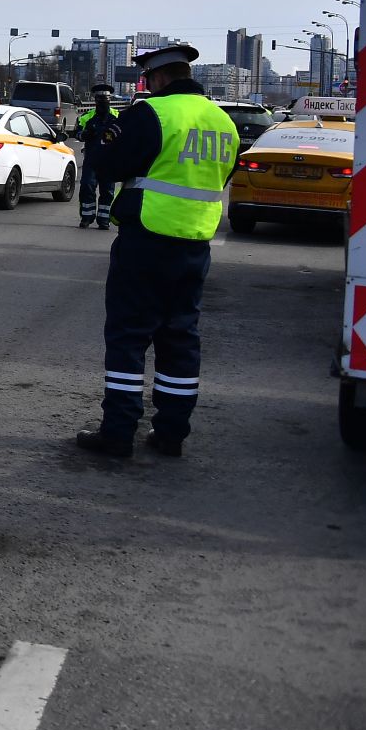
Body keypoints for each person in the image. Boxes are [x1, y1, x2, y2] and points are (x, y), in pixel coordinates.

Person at [75, 43, 236, 459]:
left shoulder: (152, 114)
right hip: (195, 245)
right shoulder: (224, 121)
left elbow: (109, 168)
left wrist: (100, 141)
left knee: (128, 336)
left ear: (160, 77)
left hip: (147, 240)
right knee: (179, 338)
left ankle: (118, 432)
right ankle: (171, 433)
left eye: (146, 79)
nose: (145, 86)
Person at [76, 83, 123, 229]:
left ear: (110, 99)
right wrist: (84, 134)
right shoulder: (86, 117)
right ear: (95, 100)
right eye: (100, 98)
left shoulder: (118, 116)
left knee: (107, 191)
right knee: (86, 187)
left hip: (110, 160)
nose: (103, 101)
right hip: (92, 159)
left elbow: (126, 136)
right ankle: (87, 217)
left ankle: (104, 219)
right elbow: (77, 134)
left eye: (106, 98)